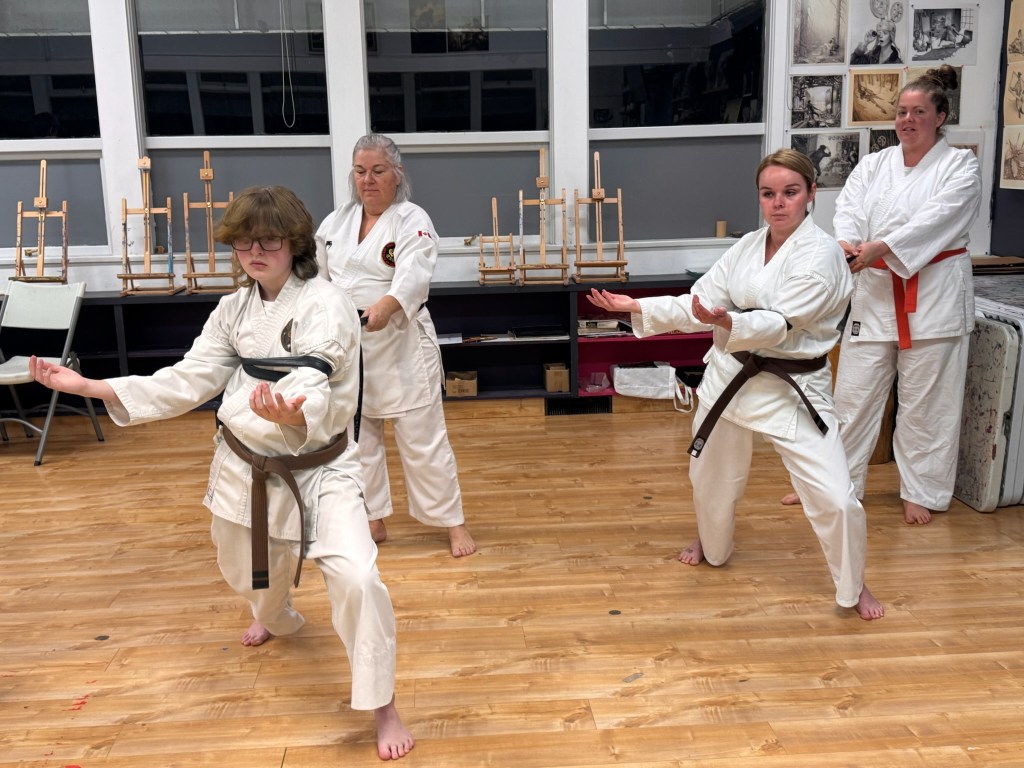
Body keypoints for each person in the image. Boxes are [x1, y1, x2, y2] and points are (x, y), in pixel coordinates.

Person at [29, 186, 415, 760]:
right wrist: (93, 386)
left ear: (295, 244)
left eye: (269, 241)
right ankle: (275, 614)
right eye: (244, 242)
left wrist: (294, 411)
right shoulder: (233, 309)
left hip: (321, 468)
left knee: (359, 578)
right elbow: (191, 377)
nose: (255, 252)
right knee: (248, 578)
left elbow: (315, 375)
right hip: (244, 465)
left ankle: (383, 704)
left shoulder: (328, 302)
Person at [588, 149, 884, 621]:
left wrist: (728, 320)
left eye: (790, 192)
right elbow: (700, 302)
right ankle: (711, 543)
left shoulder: (824, 255)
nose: (778, 203)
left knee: (835, 497)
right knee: (709, 477)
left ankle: (854, 585)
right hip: (730, 377)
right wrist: (637, 307)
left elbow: (782, 321)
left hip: (792, 387)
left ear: (811, 194)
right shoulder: (747, 245)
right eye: (768, 194)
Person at [781, 66, 982, 526]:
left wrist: (884, 247)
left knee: (927, 404)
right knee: (851, 398)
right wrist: (848, 243)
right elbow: (849, 208)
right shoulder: (875, 164)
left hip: (932, 296)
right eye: (902, 112)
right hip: (873, 291)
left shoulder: (960, 166)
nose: (907, 120)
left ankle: (922, 491)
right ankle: (833, 484)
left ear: (940, 117)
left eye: (919, 112)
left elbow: (936, 220)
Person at [315, 133, 476, 558]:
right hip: (351, 343)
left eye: (378, 171)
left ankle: (453, 523)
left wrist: (388, 305)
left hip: (400, 341)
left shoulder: (411, 218)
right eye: (360, 171)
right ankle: (373, 519)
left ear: (397, 173)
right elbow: (317, 276)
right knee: (359, 440)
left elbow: (414, 273)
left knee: (423, 441)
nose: (367, 180)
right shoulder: (336, 222)